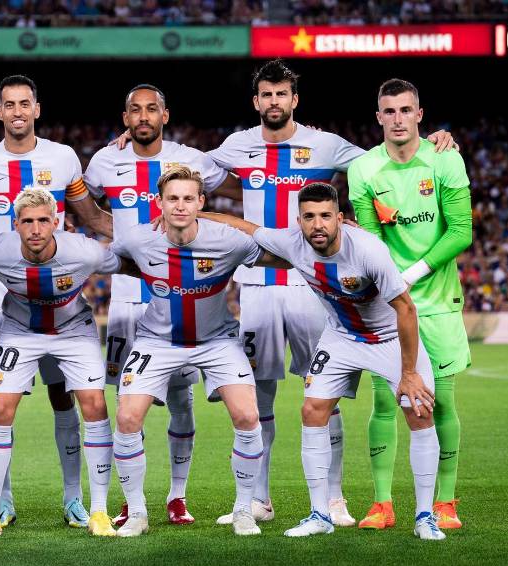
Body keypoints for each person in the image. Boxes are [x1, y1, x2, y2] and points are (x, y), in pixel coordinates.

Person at [207, 60, 456, 527]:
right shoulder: (235, 146)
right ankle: (259, 499)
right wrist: (135, 144)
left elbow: (384, 160)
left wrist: (433, 141)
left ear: (294, 99)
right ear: (256, 101)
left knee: (325, 395)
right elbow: (186, 170)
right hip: (258, 282)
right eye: (267, 94)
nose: (275, 101)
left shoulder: (325, 144)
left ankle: (334, 499)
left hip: (314, 285)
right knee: (258, 397)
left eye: (282, 94)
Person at [199, 182, 446, 541]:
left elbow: (406, 309)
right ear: (298, 221)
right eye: (310, 217)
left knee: (419, 412)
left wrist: (409, 372)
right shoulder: (292, 242)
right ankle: (320, 514)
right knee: (312, 410)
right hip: (341, 337)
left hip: (389, 338)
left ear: (340, 219)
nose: (318, 224)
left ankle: (425, 517)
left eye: (326, 216)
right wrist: (196, 214)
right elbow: (246, 227)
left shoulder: (368, 251)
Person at [0, 74, 113, 528]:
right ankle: (1, 503)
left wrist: (149, 230)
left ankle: (74, 499)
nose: (17, 112)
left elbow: (89, 217)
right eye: (9, 104)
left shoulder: (62, 156)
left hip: (60, 300)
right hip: (1, 299)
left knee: (63, 396)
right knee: (0, 400)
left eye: (24, 103)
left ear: (37, 109)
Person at [109, 165, 293, 538]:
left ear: (201, 202)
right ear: (159, 203)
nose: (180, 206)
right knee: (127, 418)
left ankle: (243, 510)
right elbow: (105, 260)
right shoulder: (138, 239)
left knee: (247, 415)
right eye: (173, 199)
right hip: (157, 341)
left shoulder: (229, 241)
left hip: (217, 342)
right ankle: (138, 514)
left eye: (188, 198)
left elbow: (282, 257)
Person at [83, 84, 231, 526]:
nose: (143, 116)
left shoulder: (192, 159)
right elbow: (83, 208)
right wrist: (124, 238)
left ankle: (177, 496)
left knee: (182, 401)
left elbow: (241, 181)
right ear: (125, 118)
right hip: (127, 299)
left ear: (165, 115)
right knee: (127, 403)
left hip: (180, 296)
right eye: (135, 110)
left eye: (152, 109)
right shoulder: (105, 161)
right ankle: (131, 500)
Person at [0, 187, 126, 540]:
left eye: (42, 221)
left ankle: (98, 511)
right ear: (15, 225)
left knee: (94, 405)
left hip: (73, 330)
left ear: (56, 223)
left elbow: (129, 262)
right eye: (27, 222)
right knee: (0, 408)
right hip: (19, 330)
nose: (35, 229)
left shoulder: (84, 251)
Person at [348, 78, 473, 530]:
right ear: (378, 117)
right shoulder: (363, 170)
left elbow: (461, 231)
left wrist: (410, 275)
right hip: (388, 305)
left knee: (440, 404)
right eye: (390, 111)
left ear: (419, 115)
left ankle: (445, 502)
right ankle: (382, 504)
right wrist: (389, 285)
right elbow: (370, 239)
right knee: (386, 403)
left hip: (437, 302)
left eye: (406, 110)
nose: (398, 119)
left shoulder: (445, 159)